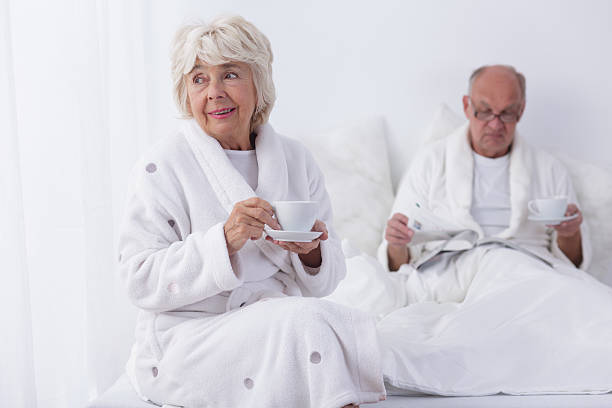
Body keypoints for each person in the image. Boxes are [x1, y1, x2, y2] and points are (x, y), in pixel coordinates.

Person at [118, 15, 385, 408]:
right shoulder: (162, 165)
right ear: (185, 93)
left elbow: (326, 281)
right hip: (194, 336)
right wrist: (222, 242)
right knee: (311, 323)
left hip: (277, 319)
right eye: (198, 79)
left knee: (351, 329)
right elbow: (137, 279)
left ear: (259, 83)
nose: (214, 92)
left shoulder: (296, 159)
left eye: (229, 75)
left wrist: (311, 253)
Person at [375, 65, 612, 395]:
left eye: (507, 114)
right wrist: (397, 242)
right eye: (485, 112)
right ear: (466, 106)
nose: (495, 124)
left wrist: (570, 233)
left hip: (528, 269)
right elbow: (398, 260)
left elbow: (570, 264)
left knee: (595, 307)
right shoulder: (432, 161)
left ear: (522, 111)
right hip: (450, 269)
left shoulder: (547, 168)